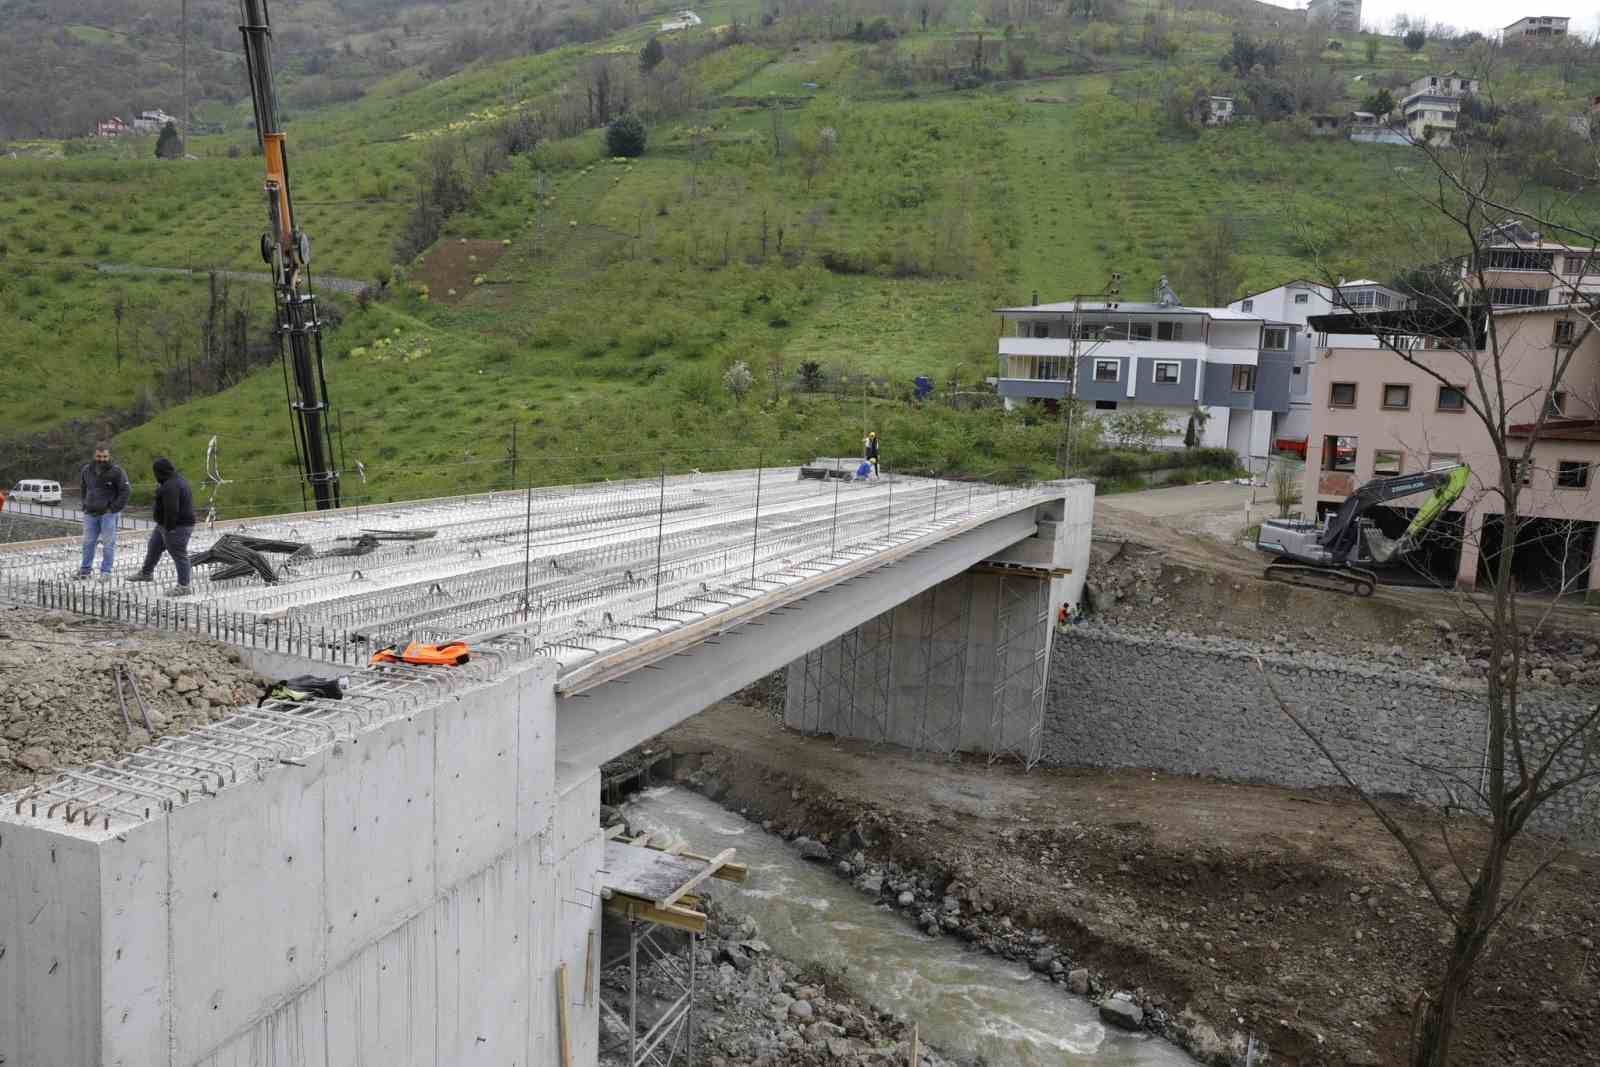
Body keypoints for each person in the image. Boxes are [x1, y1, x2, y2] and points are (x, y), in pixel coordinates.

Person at [128, 458, 196, 597]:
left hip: (177, 526)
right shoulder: (174, 480)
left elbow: (172, 509)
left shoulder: (171, 485)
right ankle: (146, 573)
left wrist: (170, 528)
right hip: (164, 524)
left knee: (179, 554)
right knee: (154, 546)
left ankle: (184, 586)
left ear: (159, 472)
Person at [75, 443, 131, 581]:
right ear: (94, 456)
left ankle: (106, 572)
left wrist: (113, 508)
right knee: (88, 542)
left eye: (105, 456)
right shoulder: (86, 470)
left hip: (108, 514)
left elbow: (126, 491)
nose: (102, 459)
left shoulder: (117, 472)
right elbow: (83, 488)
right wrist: (84, 503)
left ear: (109, 456)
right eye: (99, 456)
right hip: (90, 512)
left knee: (108, 543)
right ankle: (85, 570)